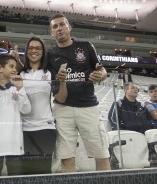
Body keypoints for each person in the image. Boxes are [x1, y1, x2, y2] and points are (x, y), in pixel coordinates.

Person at [47, 14, 110, 172]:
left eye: (62, 24)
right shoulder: (50, 55)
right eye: (55, 26)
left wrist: (101, 75)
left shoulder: (86, 46)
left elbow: (101, 69)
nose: (59, 28)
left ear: (70, 27)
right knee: (66, 158)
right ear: (51, 32)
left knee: (101, 154)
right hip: (63, 110)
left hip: (88, 107)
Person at [19, 36, 56, 175]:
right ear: (26, 51)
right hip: (23, 129)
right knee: (25, 171)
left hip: (45, 128)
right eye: (31, 47)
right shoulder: (20, 73)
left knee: (43, 172)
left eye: (38, 48)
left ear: (43, 51)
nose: (34, 50)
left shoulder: (50, 73)